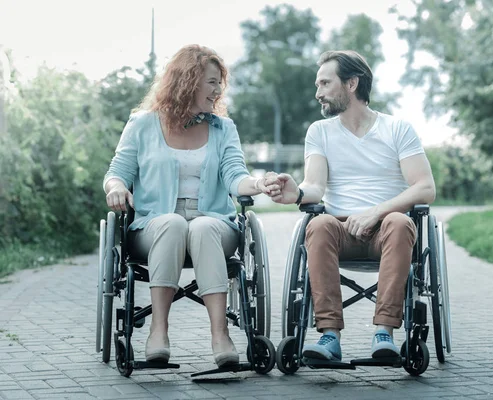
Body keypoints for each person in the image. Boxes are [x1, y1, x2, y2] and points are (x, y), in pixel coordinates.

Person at [103, 44, 281, 367]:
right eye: (212, 82)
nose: (218, 90)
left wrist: (258, 184)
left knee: (202, 226)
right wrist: (115, 189)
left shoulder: (223, 129)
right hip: (153, 226)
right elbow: (117, 173)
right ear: (188, 81)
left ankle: (220, 334)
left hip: (213, 223)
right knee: (171, 224)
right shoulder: (142, 125)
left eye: (219, 83)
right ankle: (158, 330)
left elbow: (235, 176)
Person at [268, 50, 436, 361]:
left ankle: (384, 333)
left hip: (388, 228)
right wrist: (297, 193)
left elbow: (425, 188)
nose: (318, 93)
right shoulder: (319, 132)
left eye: (324, 83)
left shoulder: (397, 129)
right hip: (340, 229)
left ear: (351, 84)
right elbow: (316, 186)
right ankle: (329, 336)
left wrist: (375, 212)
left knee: (401, 223)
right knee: (317, 225)